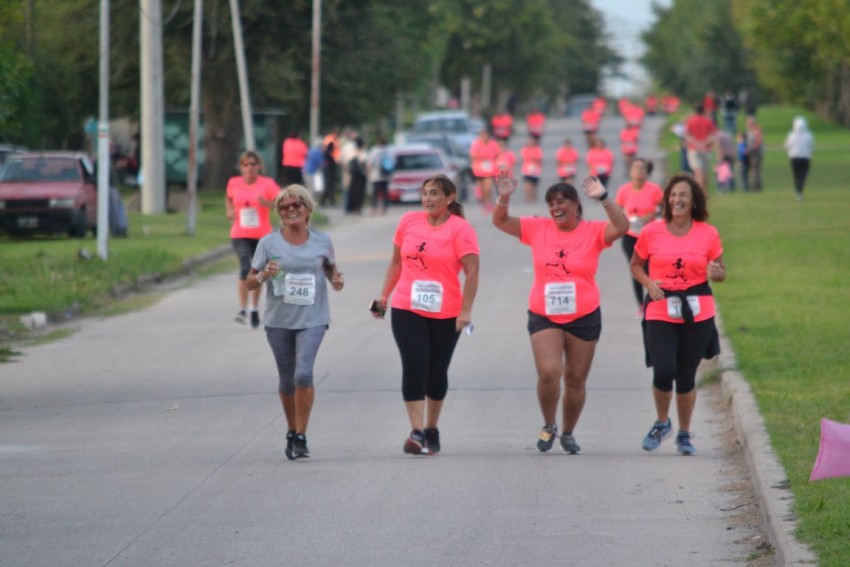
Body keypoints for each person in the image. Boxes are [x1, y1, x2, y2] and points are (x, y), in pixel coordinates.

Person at [491, 171, 629, 455]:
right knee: (549, 372)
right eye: (551, 204)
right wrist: (504, 197)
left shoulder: (593, 231)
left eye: (562, 202)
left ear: (576, 204)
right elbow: (500, 221)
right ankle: (549, 424)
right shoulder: (538, 228)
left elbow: (622, 226)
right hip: (545, 312)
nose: (556, 208)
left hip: (585, 313)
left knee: (576, 378)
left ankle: (568, 433)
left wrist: (603, 197)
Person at [372, 175, 479, 456]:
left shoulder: (461, 229)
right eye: (424, 193)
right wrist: (383, 298)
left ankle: (431, 428)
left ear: (449, 198)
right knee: (414, 363)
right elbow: (396, 261)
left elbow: (472, 272)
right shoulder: (408, 221)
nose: (427, 199)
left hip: (446, 311)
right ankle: (416, 431)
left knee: (436, 370)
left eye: (434, 194)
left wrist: (465, 311)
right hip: (408, 306)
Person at [630, 173, 726, 456]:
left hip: (698, 310)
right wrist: (648, 283)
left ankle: (684, 434)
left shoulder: (708, 233)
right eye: (673, 196)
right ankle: (662, 423)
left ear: (694, 200)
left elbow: (720, 272)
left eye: (683, 195)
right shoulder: (652, 231)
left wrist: (718, 273)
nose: (677, 200)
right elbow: (636, 265)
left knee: (686, 374)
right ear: (667, 201)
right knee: (664, 369)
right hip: (661, 306)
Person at [247, 185, 344, 460]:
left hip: (313, 317)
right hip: (279, 319)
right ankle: (291, 429)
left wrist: (336, 279)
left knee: (303, 374)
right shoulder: (268, 243)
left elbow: (329, 267)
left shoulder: (322, 241)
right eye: (285, 207)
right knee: (287, 379)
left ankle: (301, 434)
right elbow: (250, 282)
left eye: (296, 205)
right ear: (279, 213)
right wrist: (265, 274)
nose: (291, 210)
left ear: (307, 209)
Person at [225, 151, 281, 328]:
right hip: (240, 233)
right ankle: (242, 309)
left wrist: (267, 204)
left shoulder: (267, 184)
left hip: (262, 235)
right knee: (245, 268)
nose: (249, 167)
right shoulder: (234, 183)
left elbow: (281, 202)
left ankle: (254, 309)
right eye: (246, 164)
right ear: (241, 167)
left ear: (259, 167)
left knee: (256, 273)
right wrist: (230, 210)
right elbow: (228, 198)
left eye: (253, 164)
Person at [615, 158, 663, 311]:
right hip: (630, 235)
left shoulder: (654, 189)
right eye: (635, 168)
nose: (638, 172)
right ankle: (640, 304)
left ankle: (653, 298)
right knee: (635, 268)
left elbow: (662, 208)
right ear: (630, 172)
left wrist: (649, 217)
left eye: (642, 168)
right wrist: (625, 220)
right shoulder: (624, 190)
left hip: (649, 235)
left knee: (650, 268)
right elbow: (617, 211)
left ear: (647, 171)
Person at [684, 103, 717, 190]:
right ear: (703, 111)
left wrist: (696, 143)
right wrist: (704, 143)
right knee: (704, 171)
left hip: (694, 149)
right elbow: (713, 135)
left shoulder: (690, 121)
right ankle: (704, 190)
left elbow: (687, 135)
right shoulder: (708, 121)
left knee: (697, 171)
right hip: (706, 149)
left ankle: (699, 191)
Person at [784, 116, 814, 201]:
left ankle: (798, 191)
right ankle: (799, 191)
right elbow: (811, 146)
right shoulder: (808, 135)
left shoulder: (791, 136)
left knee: (796, 176)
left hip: (794, 158)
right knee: (802, 176)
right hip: (805, 158)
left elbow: (786, 146)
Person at [469, 127, 500, 210]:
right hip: (478, 170)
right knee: (482, 188)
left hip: (489, 170)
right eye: (482, 135)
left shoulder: (493, 144)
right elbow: (473, 157)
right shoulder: (475, 144)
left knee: (488, 187)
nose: (484, 137)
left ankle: (488, 202)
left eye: (486, 135)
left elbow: (496, 155)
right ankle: (482, 202)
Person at [367, 135, 391, 215]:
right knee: (385, 193)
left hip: (376, 176)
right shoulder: (389, 151)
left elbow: (370, 163)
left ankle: (374, 208)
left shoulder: (374, 151)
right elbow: (392, 163)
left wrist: (369, 174)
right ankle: (384, 209)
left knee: (375, 193)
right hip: (386, 176)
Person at [345, 137, 368, 214]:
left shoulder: (352, 152)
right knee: (360, 193)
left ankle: (351, 208)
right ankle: (358, 208)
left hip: (353, 176)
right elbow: (366, 165)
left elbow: (348, 164)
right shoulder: (363, 153)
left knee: (352, 192)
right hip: (361, 177)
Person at [520, 135, 543, 202]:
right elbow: (523, 158)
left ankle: (533, 200)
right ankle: (528, 199)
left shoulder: (538, 149)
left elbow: (539, 159)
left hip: (535, 171)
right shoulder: (524, 149)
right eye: (530, 141)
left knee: (534, 187)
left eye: (532, 142)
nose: (531, 143)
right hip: (526, 170)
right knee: (527, 186)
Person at [745, 115, 764, 191]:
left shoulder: (757, 130)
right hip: (750, 152)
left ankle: (756, 187)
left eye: (749, 123)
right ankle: (754, 185)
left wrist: (751, 148)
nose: (747, 124)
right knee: (752, 170)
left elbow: (759, 142)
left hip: (756, 152)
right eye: (747, 123)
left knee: (756, 170)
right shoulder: (749, 130)